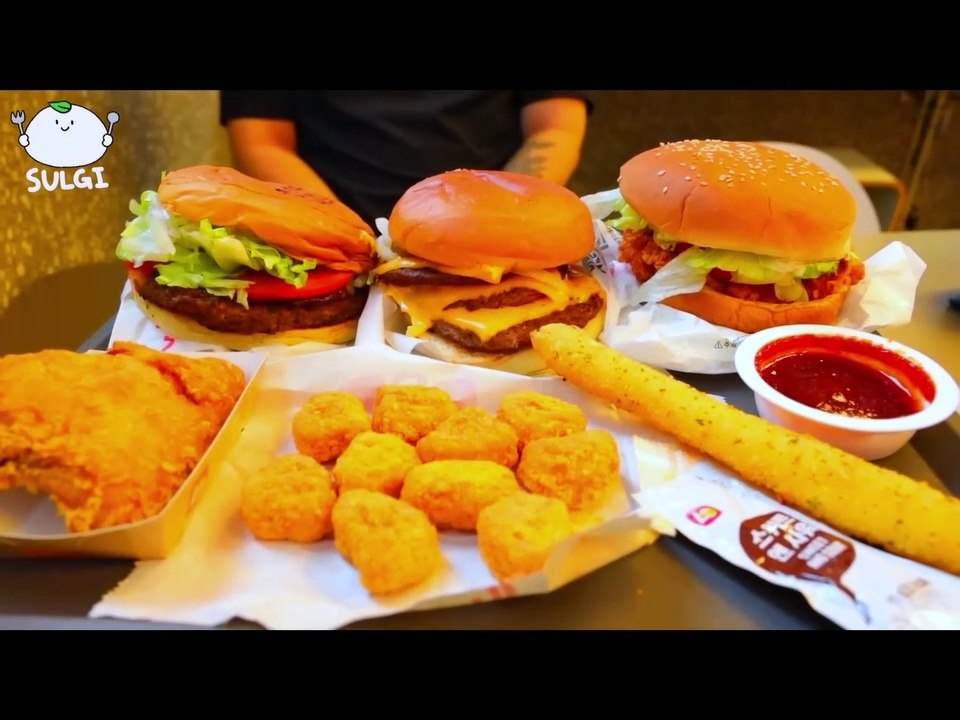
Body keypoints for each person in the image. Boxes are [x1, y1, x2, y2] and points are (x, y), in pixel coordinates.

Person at [219, 91, 592, 224]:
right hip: (335, 223)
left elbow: (554, 130)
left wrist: (499, 219)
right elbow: (263, 142)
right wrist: (344, 235)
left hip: (500, 221)